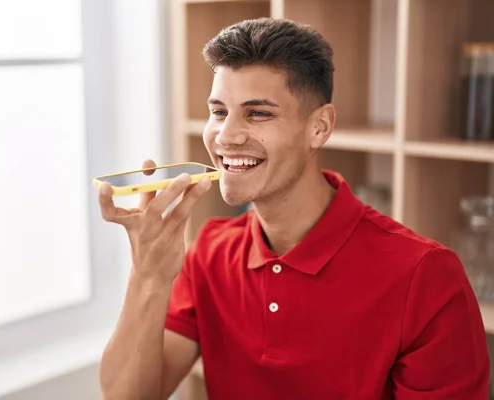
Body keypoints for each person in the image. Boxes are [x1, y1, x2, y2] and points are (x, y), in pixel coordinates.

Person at [97, 17, 490, 399]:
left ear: (319, 127)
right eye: (219, 111)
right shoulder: (210, 252)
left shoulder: (427, 276)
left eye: (258, 113)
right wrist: (148, 276)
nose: (226, 136)